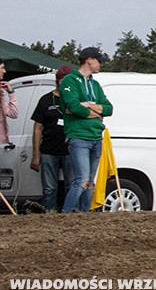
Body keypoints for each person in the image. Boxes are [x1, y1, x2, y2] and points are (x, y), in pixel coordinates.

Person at [59, 47, 114, 213]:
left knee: (90, 181)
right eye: (99, 61)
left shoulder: (95, 84)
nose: (101, 65)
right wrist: (97, 114)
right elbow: (75, 108)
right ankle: (65, 214)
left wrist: (89, 104)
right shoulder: (70, 81)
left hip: (96, 137)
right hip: (79, 137)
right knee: (82, 180)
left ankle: (85, 215)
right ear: (89, 60)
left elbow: (109, 109)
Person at [30, 65, 74, 212]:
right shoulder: (46, 100)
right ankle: (48, 217)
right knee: (49, 188)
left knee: (71, 186)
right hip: (48, 151)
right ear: (59, 81)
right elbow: (37, 128)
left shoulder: (74, 99)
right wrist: (36, 155)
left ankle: (71, 215)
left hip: (70, 151)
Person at [0, 57, 19, 146]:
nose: (4, 71)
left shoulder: (0, 92)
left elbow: (13, 114)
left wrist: (11, 93)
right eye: (2, 68)